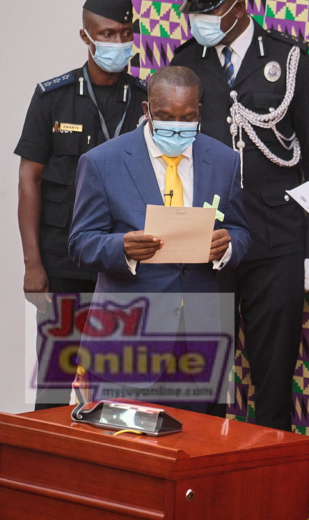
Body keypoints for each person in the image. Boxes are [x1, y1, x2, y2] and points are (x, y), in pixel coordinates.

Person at [168, 0, 309, 431]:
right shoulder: (186, 63)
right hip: (207, 243)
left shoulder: (286, 58)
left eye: (210, 11)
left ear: (239, 4)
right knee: (199, 383)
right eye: (193, 12)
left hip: (276, 242)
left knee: (274, 381)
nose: (198, 21)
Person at [68, 66, 250, 413]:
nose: (176, 126)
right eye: (165, 116)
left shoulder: (224, 161)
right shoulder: (103, 162)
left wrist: (228, 247)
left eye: (187, 117)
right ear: (146, 110)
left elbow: (240, 231)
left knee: (197, 451)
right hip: (128, 341)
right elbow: (80, 242)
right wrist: (121, 248)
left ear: (199, 112)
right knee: (125, 451)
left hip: (200, 341)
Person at [14, 0, 148, 409]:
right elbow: (28, 180)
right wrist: (33, 264)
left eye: (125, 33)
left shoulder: (146, 102)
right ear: (85, 36)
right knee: (54, 383)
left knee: (119, 387)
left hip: (124, 267)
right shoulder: (51, 98)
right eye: (106, 34)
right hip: (62, 266)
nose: (116, 42)